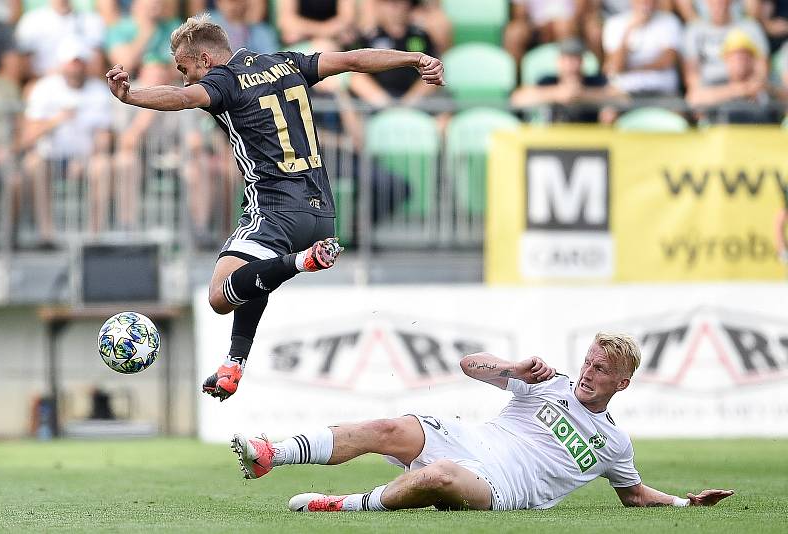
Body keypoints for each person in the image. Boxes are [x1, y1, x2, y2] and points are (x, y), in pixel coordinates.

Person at [106, 13, 445, 400]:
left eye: (185, 68)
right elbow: (352, 59)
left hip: (273, 208)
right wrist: (414, 59)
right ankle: (235, 362)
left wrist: (131, 96)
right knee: (252, 271)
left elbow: (184, 98)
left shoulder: (223, 81)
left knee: (220, 295)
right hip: (321, 213)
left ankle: (303, 261)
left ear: (204, 59)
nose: (185, 78)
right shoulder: (286, 62)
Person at [229, 333, 735, 512]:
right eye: (588, 361)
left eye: (602, 369)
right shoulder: (549, 382)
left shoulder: (614, 443)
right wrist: (513, 368)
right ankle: (275, 452)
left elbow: (633, 494)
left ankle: (343, 506)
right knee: (390, 426)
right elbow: (469, 365)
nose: (588, 372)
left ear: (621, 383)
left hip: (501, 484)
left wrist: (685, 502)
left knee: (437, 476)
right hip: (476, 438)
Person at [21, 38, 113, 244]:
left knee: (103, 165)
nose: (75, 68)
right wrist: (56, 120)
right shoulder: (44, 88)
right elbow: (27, 137)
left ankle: (94, 236)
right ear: (62, 64)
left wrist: (90, 154)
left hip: (85, 159)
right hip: (50, 158)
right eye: (71, 63)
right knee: (33, 164)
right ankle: (46, 234)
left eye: (79, 63)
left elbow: (104, 137)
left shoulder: (98, 90)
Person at [510, 37, 626, 122]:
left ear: (582, 62)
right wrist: (556, 93)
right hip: (551, 139)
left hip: (590, 140)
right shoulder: (547, 81)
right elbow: (516, 99)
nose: (571, 65)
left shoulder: (596, 81)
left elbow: (623, 99)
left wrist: (584, 94)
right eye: (566, 59)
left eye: (575, 59)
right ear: (559, 62)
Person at [686, 29, 780, 123]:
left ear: (752, 60)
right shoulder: (716, 83)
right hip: (725, 135)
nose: (740, 62)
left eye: (744, 57)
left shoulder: (767, 84)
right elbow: (693, 100)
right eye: (735, 58)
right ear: (726, 60)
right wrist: (741, 90)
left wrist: (767, 89)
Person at [602, 0, 683, 97]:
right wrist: (628, 31)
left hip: (661, 90)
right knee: (608, 110)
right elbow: (615, 66)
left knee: (678, 109)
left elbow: (667, 60)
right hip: (625, 91)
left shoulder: (669, 21)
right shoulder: (614, 23)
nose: (646, 2)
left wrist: (631, 69)